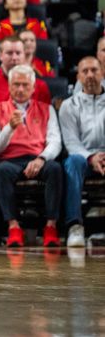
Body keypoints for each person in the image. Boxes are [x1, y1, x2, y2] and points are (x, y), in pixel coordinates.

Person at [0, 65, 63, 248]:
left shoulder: (47, 109)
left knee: (55, 169)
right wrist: (9, 128)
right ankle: (13, 227)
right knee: (0, 171)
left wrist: (41, 159)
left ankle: (51, 226)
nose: (20, 89)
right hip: (10, 159)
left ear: (33, 87)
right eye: (16, 84)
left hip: (38, 157)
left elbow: (55, 141)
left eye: (25, 85)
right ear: (9, 86)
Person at [59, 56, 105, 248]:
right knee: (72, 162)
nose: (90, 75)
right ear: (78, 77)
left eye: (94, 70)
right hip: (83, 159)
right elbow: (71, 142)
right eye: (85, 71)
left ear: (102, 73)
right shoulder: (68, 106)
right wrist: (91, 158)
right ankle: (75, 226)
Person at [0, 36, 51, 110]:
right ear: (0, 55)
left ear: (24, 55)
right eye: (9, 53)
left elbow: (45, 114)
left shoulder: (40, 87)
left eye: (18, 53)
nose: (14, 58)